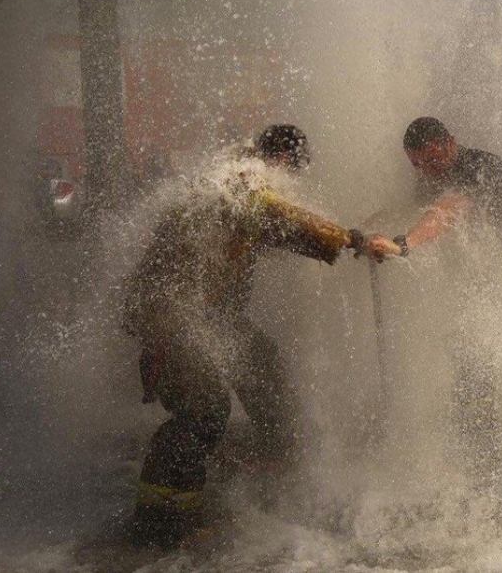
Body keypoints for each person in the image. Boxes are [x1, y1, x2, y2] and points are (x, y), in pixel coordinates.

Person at [122, 124, 361, 547]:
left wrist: (341, 244)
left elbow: (261, 231)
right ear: (285, 161)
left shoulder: (236, 175)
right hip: (175, 317)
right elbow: (275, 215)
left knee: (268, 376)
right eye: (297, 172)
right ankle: (161, 520)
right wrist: (349, 238)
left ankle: (267, 477)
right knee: (204, 410)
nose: (296, 183)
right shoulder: (244, 177)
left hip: (215, 316)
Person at [363, 117, 502, 519]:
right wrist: (364, 231)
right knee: (477, 341)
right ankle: (489, 445)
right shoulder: (433, 175)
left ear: (450, 142)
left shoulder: (477, 167)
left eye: (432, 159)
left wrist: (403, 244)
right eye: (418, 165)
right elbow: (418, 207)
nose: (427, 170)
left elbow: (446, 212)